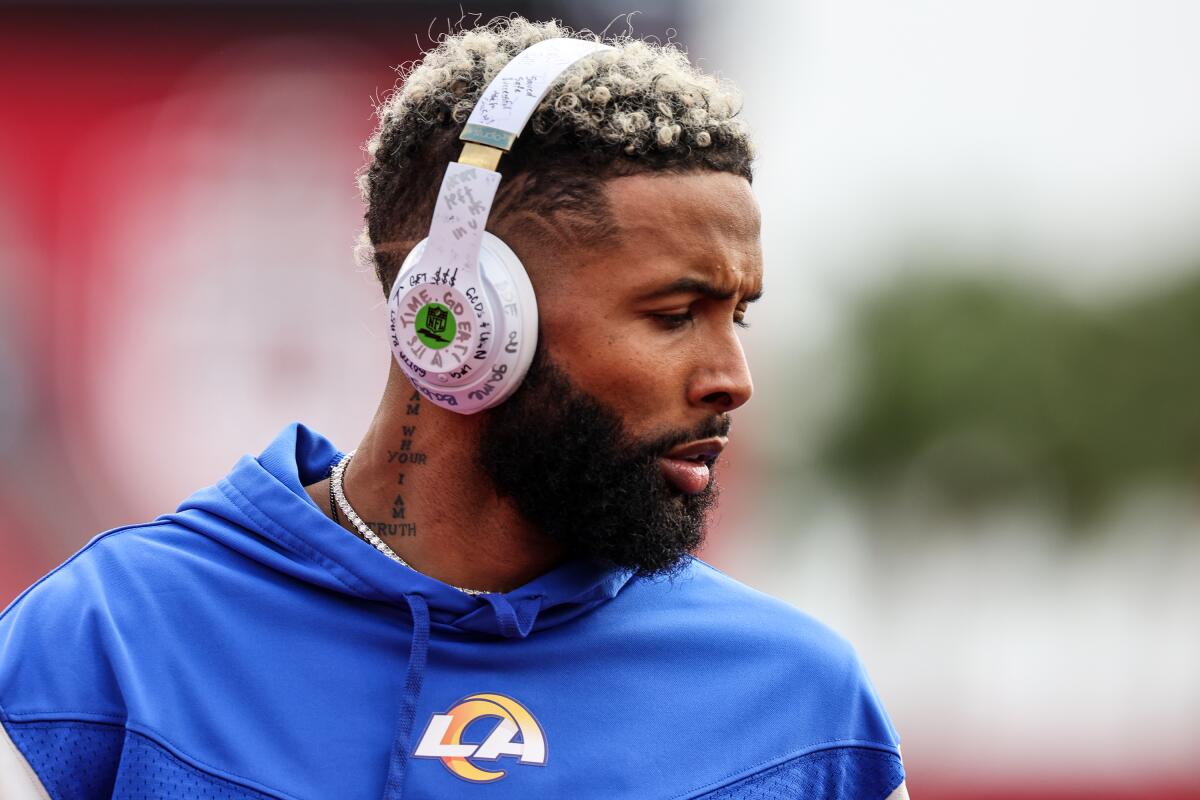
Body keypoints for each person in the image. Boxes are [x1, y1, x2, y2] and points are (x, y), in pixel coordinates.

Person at [0, 17, 908, 800]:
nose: (733, 376)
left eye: (737, 317)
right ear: (463, 315)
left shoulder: (803, 711)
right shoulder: (105, 642)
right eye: (675, 315)